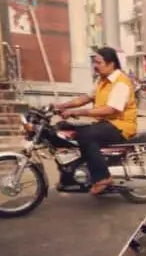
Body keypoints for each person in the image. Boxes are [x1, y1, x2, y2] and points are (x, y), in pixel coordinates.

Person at [54, 47, 138, 195]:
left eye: (99, 62)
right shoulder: (102, 81)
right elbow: (85, 98)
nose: (95, 66)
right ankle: (69, 175)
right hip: (105, 124)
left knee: (86, 135)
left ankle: (103, 177)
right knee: (64, 129)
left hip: (121, 126)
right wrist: (61, 105)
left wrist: (77, 112)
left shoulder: (121, 82)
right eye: (94, 62)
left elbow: (111, 109)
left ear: (111, 64)